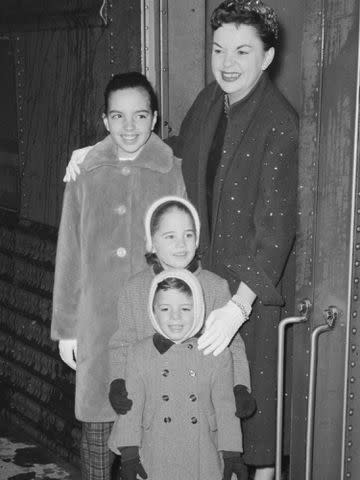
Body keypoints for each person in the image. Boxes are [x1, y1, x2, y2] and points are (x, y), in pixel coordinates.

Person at [64, 1, 298, 477]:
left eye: (242, 52)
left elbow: (276, 230)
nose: (227, 63)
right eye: (218, 50)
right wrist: (106, 149)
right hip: (198, 284)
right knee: (195, 428)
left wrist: (237, 307)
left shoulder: (280, 123)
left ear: (267, 57)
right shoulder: (212, 99)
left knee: (251, 429)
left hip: (245, 297)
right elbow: (171, 152)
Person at [51, 72, 186, 480]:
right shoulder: (85, 174)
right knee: (96, 435)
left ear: (155, 118)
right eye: (118, 116)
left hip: (152, 324)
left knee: (151, 436)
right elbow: (69, 252)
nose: (130, 127)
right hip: (97, 329)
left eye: (140, 115)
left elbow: (183, 251)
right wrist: (68, 329)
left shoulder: (170, 172)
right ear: (105, 120)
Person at [108, 196, 256, 425]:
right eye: (170, 236)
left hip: (199, 411)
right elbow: (123, 343)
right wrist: (118, 381)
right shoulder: (135, 288)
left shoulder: (215, 287)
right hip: (151, 410)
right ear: (152, 243)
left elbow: (232, 346)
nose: (181, 244)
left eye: (188, 235)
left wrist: (239, 386)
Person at [108, 269, 248, 480]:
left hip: (203, 450)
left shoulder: (216, 352)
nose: (175, 317)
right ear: (153, 312)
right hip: (155, 449)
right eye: (165, 308)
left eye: (185, 308)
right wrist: (129, 455)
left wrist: (232, 454)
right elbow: (131, 409)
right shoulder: (138, 353)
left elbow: (226, 407)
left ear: (199, 310)